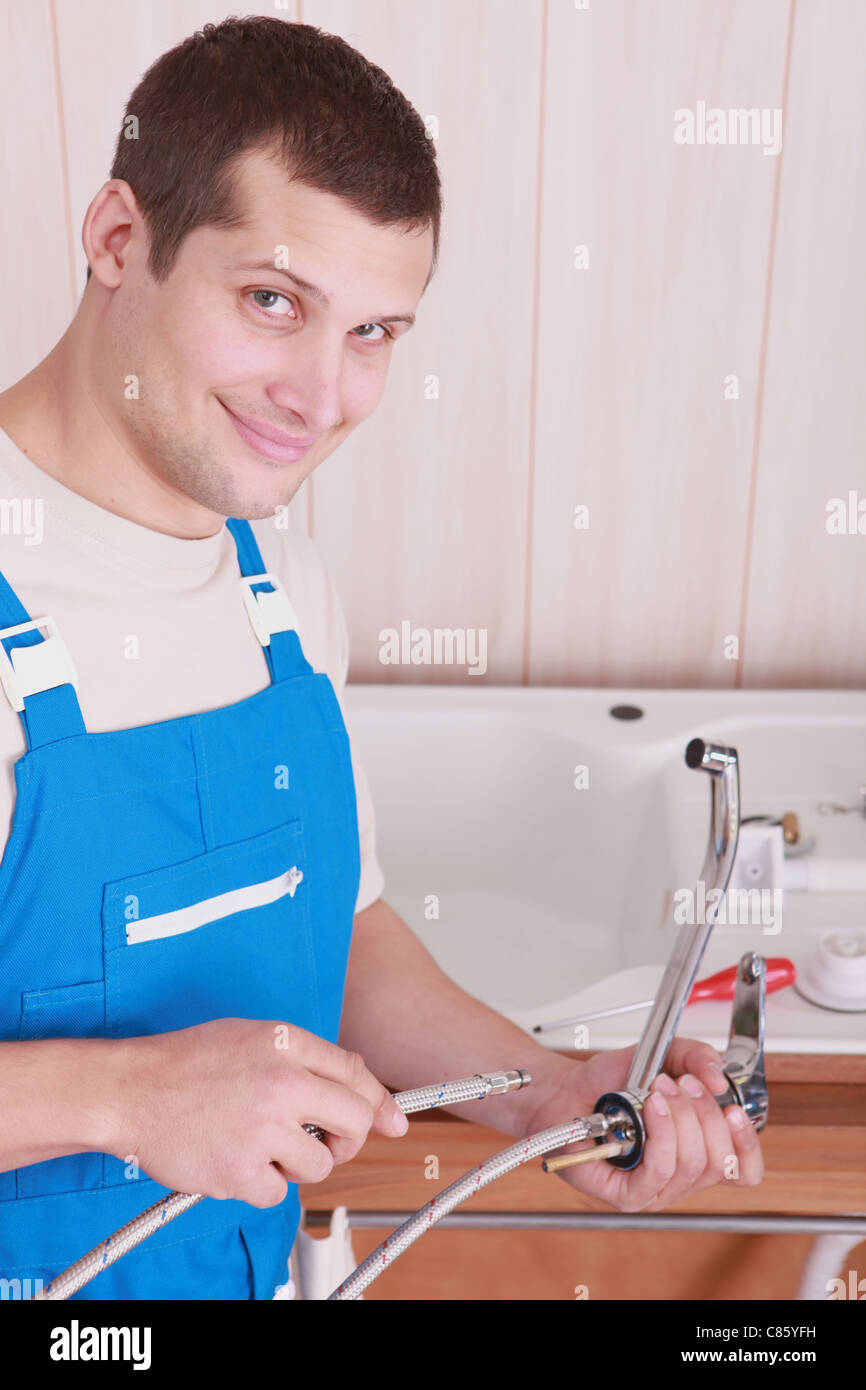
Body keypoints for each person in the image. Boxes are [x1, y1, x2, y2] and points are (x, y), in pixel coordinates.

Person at [0, 15, 762, 1301]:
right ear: (119, 239)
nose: (319, 392)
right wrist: (128, 1095)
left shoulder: (277, 584)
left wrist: (546, 1095)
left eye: (374, 334)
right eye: (273, 302)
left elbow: (336, 932)